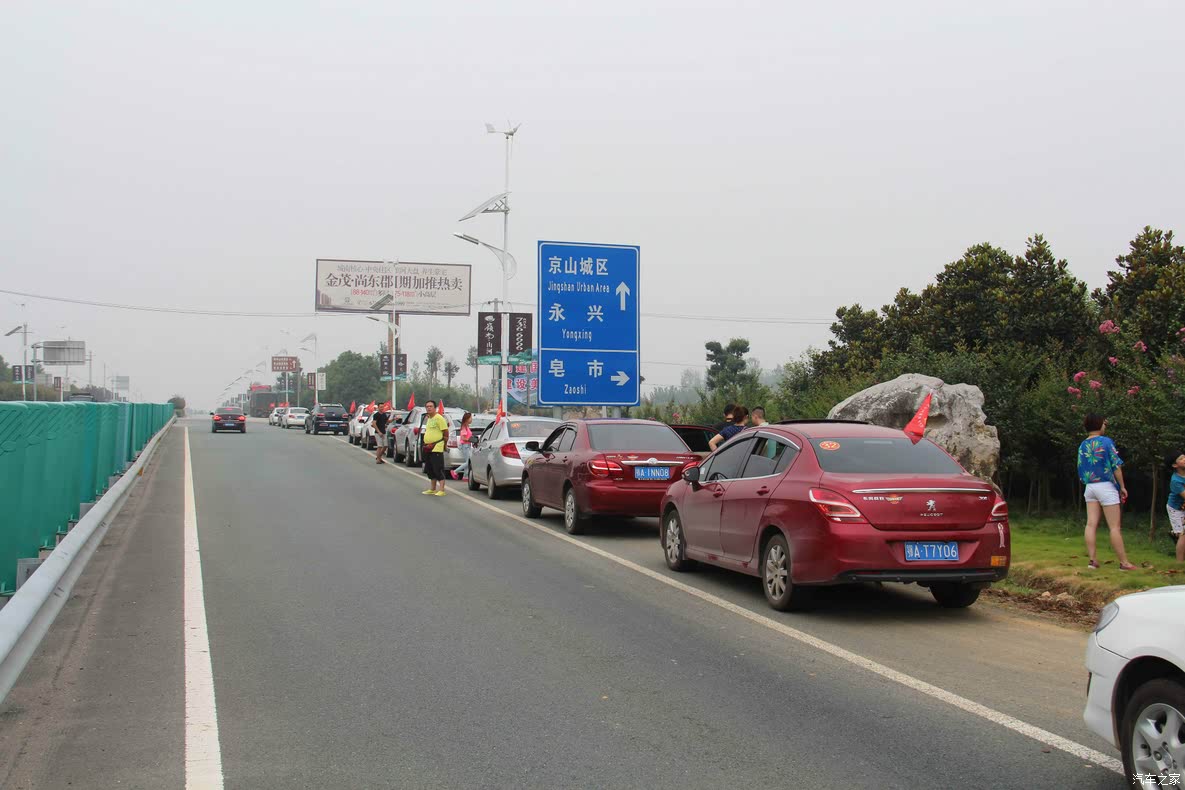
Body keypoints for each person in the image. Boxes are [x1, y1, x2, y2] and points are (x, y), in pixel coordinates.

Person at [1077, 414, 1136, 570]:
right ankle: (1124, 562)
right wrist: (1122, 486)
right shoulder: (1106, 442)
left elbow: (1080, 466)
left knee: (1090, 524)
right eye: (1104, 423)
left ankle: (1093, 561)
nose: (1105, 426)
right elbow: (1116, 466)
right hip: (1106, 486)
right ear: (1099, 424)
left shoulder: (1083, 444)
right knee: (1114, 527)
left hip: (1090, 487)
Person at [421, 400, 450, 496]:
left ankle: (441, 489)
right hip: (428, 447)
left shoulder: (439, 418)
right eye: (427, 406)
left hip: (437, 447)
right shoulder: (428, 418)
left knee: (438, 468)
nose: (429, 408)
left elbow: (445, 432)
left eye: (431, 406)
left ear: (435, 408)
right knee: (429, 468)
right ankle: (432, 488)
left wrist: (444, 444)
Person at [1166, 451, 1185, 562]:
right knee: (1183, 535)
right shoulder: (1175, 481)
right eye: (1181, 458)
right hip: (1176, 510)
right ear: (1175, 465)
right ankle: (1180, 563)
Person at [452, 413, 474, 481]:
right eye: (471, 418)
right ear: (467, 419)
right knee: (468, 462)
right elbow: (463, 438)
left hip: (467, 445)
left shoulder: (467, 427)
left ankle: (465, 476)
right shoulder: (464, 427)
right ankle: (455, 471)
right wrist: (470, 439)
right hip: (465, 446)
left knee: (467, 461)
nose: (471, 419)